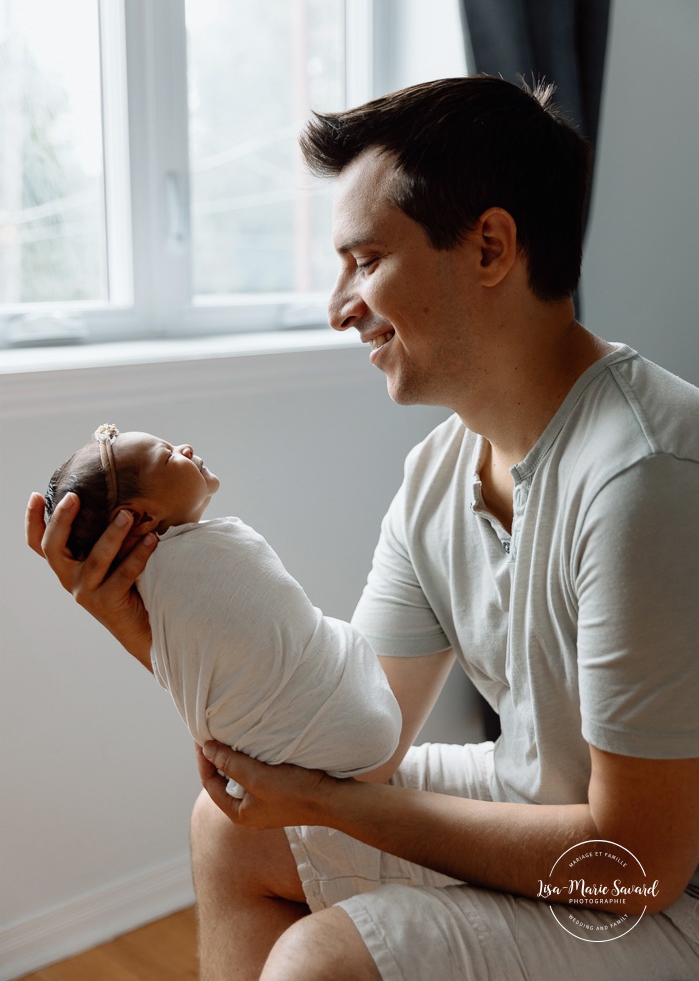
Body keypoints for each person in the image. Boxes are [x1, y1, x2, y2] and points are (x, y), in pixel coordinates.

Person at [27, 76, 699, 981]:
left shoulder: (641, 478)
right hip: (550, 809)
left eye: (365, 260)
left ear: (490, 247)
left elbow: (638, 866)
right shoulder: (435, 476)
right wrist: (151, 628)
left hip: (668, 892)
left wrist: (332, 809)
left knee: (320, 959)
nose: (339, 306)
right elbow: (352, 741)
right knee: (228, 831)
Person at [43, 424, 401, 796]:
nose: (185, 447)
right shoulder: (177, 572)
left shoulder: (177, 575)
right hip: (346, 730)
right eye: (167, 455)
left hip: (348, 728)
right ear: (141, 517)